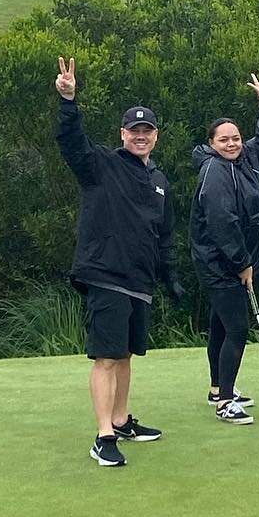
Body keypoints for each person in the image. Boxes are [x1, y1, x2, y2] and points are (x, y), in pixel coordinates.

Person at [54, 56, 182, 467]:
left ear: (156, 135)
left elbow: (163, 234)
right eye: (134, 131)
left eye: (147, 131)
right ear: (123, 134)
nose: (140, 137)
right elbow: (72, 144)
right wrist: (68, 102)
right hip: (106, 274)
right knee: (107, 356)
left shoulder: (159, 180)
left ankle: (122, 419)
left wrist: (170, 275)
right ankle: (103, 435)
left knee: (126, 354)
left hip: (140, 281)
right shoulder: (102, 165)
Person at [189, 75, 259, 424]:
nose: (231, 144)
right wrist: (242, 263)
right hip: (219, 263)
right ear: (211, 143)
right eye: (224, 140)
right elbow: (222, 222)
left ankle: (218, 387)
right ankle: (226, 402)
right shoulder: (214, 171)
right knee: (237, 329)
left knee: (220, 323)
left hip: (234, 261)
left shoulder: (247, 159)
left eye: (236, 138)